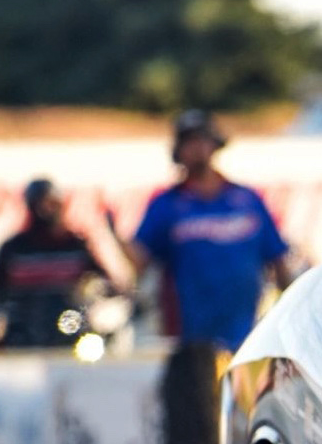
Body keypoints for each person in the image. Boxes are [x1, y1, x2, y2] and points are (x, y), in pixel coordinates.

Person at [122, 110, 295, 353]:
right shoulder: (167, 204)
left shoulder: (247, 199)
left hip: (247, 331)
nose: (197, 148)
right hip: (189, 335)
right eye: (189, 141)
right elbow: (139, 260)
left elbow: (277, 258)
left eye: (202, 139)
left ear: (215, 144)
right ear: (178, 150)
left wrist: (291, 311)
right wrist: (113, 235)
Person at [0, 177, 112, 348]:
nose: (46, 210)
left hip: (70, 337)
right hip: (21, 339)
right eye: (40, 204)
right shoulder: (14, 250)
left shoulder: (76, 246)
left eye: (52, 203)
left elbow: (102, 284)